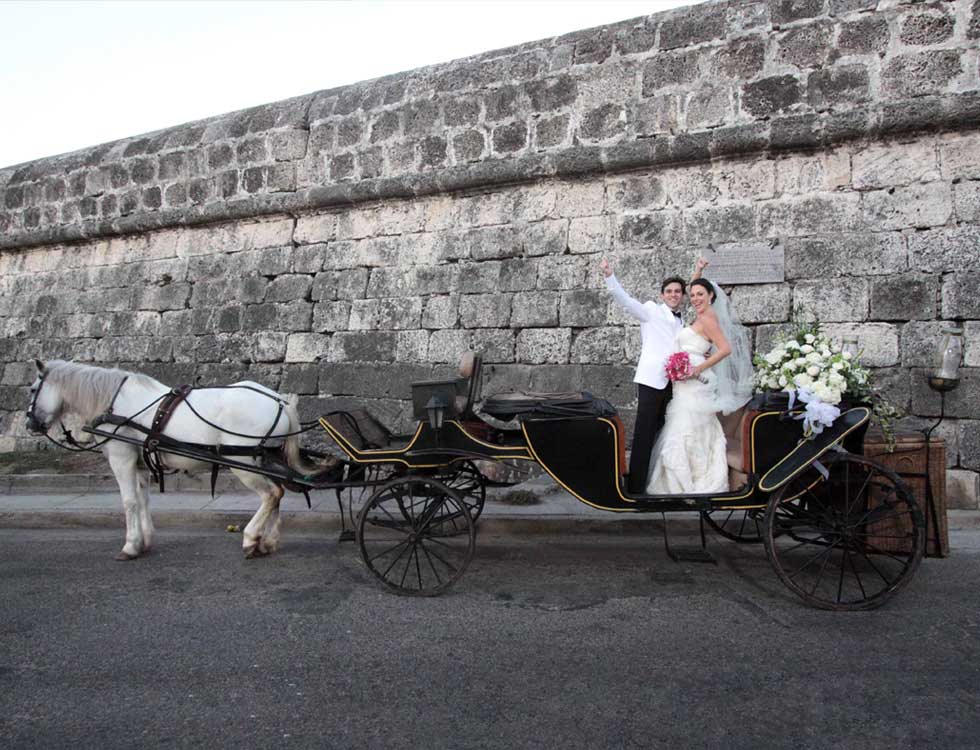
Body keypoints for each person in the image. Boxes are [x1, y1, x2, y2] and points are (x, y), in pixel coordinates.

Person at [600, 257, 706, 494]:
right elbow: (625, 300)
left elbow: (694, 291)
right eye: (669, 291)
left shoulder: (682, 319)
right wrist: (609, 275)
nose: (673, 295)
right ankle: (636, 487)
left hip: (675, 384)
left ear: (682, 295)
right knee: (645, 432)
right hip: (651, 381)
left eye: (677, 291)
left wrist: (698, 270)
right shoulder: (651, 311)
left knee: (665, 433)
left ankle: (656, 482)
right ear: (662, 295)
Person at [646, 277, 753, 495]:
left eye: (700, 294)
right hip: (685, 383)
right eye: (693, 295)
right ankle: (682, 479)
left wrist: (698, 368)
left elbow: (725, 349)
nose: (695, 298)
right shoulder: (701, 316)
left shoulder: (708, 318)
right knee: (688, 426)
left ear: (711, 296)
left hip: (697, 381)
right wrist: (698, 271)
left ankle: (693, 481)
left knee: (687, 427)